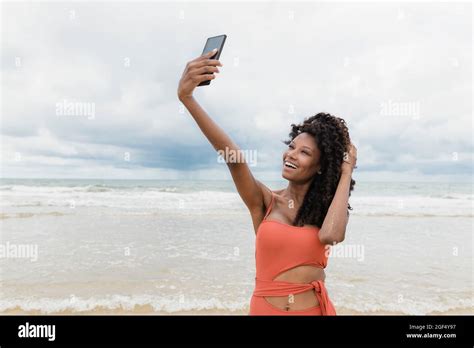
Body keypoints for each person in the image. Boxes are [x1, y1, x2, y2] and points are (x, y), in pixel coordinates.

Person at [177, 49, 357, 315]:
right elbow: (235, 160)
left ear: (321, 167)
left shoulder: (327, 210)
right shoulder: (265, 201)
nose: (291, 155)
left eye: (304, 153)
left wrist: (346, 171)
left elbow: (331, 234)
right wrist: (187, 98)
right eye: (292, 146)